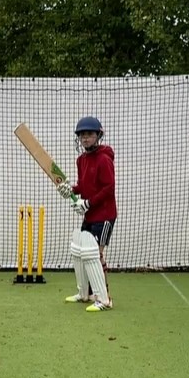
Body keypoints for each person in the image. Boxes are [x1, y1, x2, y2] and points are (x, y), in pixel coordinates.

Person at [57, 116, 116, 312]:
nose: (85, 138)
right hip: (90, 215)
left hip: (105, 214)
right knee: (82, 253)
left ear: (98, 135)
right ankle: (85, 294)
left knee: (96, 254)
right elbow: (84, 185)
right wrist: (71, 190)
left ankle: (104, 299)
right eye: (82, 135)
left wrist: (88, 203)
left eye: (89, 134)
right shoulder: (81, 160)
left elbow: (108, 187)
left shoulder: (104, 159)